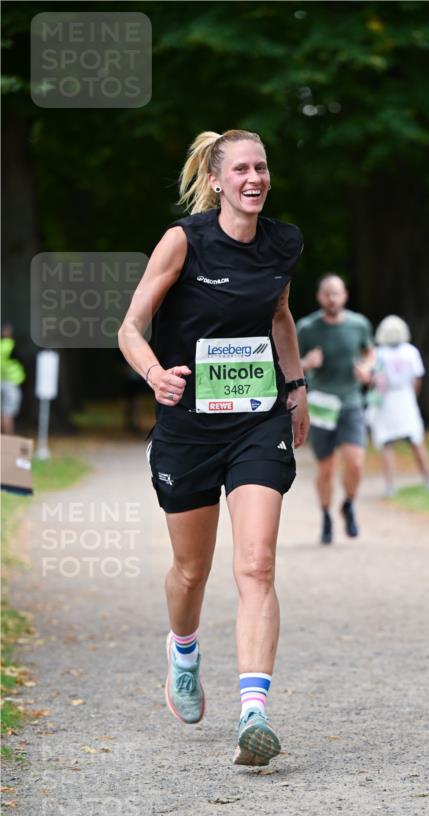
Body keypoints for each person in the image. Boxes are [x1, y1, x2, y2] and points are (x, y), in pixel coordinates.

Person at [117, 129, 308, 767]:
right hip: (189, 427)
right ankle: (184, 648)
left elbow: (279, 312)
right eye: (243, 170)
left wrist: (297, 386)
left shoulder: (284, 242)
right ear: (219, 181)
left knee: (256, 564)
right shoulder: (185, 241)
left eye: (263, 167)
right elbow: (131, 327)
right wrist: (153, 374)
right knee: (191, 571)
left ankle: (254, 711)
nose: (255, 178)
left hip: (257, 419)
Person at [297, 274, 374, 543]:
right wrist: (307, 362)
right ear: (320, 297)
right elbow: (291, 363)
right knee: (326, 469)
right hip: (321, 405)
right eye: (327, 294)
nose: (332, 298)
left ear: (345, 296)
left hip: (351, 402)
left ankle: (349, 504)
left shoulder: (358, 324)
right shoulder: (306, 328)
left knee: (355, 462)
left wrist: (366, 369)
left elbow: (368, 352)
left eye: (337, 293)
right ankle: (327, 516)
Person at [368, 314, 429, 497]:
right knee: (416, 440)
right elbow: (417, 378)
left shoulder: (379, 353)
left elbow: (372, 379)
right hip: (405, 397)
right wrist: (412, 397)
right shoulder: (411, 351)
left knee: (387, 443)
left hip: (387, 399)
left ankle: (391, 485)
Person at [0, 324, 26, 435]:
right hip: (11, 383)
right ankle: (9, 441)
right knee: (8, 414)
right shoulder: (12, 346)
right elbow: (21, 361)